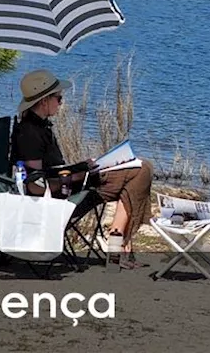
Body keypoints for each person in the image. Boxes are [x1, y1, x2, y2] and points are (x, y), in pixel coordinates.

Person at [10, 69, 154, 268]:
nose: (61, 103)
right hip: (63, 192)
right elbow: (35, 186)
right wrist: (77, 175)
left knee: (141, 168)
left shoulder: (40, 127)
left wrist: (81, 167)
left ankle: (117, 241)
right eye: (59, 99)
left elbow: (51, 169)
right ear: (44, 101)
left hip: (70, 182)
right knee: (141, 170)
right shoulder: (30, 134)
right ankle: (117, 243)